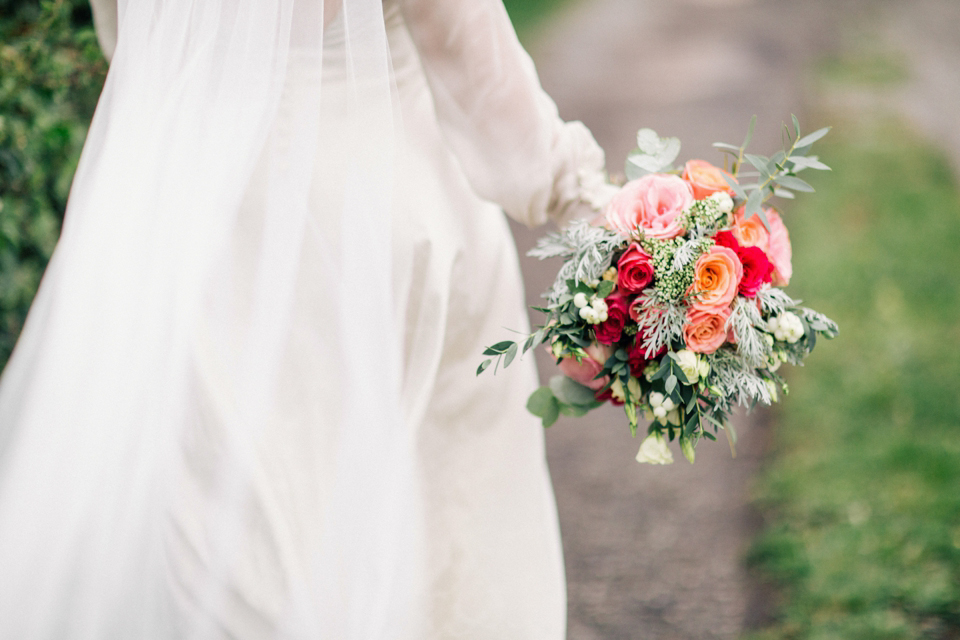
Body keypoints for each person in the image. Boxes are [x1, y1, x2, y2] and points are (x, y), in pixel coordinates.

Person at [0, 0, 610, 637]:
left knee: (228, 531)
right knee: (443, 534)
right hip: (383, 228)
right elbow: (482, 86)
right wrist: (590, 204)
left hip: (196, 230)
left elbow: (127, 35)